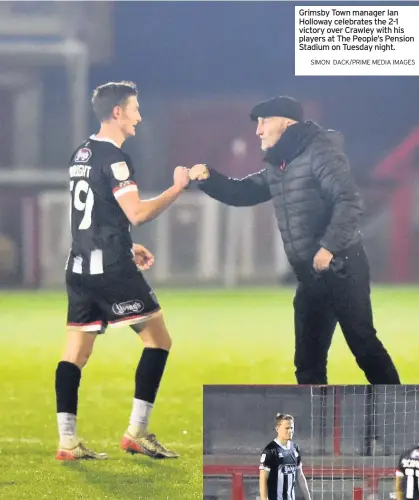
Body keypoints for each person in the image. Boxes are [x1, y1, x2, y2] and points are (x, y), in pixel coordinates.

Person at [189, 96, 400, 385]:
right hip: (310, 275)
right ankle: (316, 430)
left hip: (342, 266)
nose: (258, 131)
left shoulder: (320, 152)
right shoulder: (281, 164)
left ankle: (402, 423)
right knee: (307, 362)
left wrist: (328, 247)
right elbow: (243, 193)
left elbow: (349, 201)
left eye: (264, 122)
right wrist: (208, 178)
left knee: (364, 346)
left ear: (286, 123)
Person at [55, 81, 190, 461]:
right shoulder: (115, 159)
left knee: (75, 354)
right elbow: (137, 212)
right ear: (117, 112)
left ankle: (67, 442)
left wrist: (126, 243)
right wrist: (178, 188)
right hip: (111, 271)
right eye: (134, 109)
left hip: (79, 267)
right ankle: (137, 432)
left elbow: (93, 216)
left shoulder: (80, 154)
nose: (139, 117)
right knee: (158, 341)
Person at [259, 413, 311, 500]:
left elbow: (300, 475)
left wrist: (308, 498)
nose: (290, 431)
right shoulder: (270, 451)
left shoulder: (295, 448)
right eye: (287, 428)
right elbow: (263, 479)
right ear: (277, 429)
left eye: (292, 428)